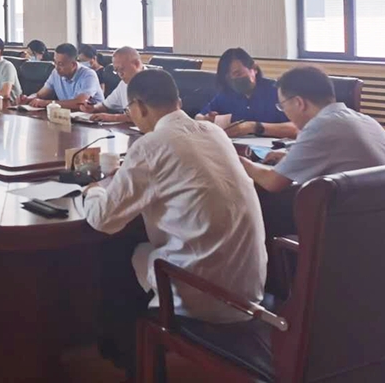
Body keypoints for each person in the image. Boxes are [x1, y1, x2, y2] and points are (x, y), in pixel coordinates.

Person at [83, 69, 266, 377]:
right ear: (177, 101)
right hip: (248, 286)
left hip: (203, 294)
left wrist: (93, 191)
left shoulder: (151, 145)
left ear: (139, 107)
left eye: (130, 110)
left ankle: (137, 364)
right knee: (137, 248)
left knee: (114, 252)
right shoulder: (215, 133)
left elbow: (103, 220)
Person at [241, 66, 385, 193]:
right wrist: (290, 159)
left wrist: (237, 161)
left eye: (282, 106)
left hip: (358, 218)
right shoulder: (364, 119)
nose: (285, 112)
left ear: (299, 103)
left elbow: (272, 182)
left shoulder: (320, 127)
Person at [198, 48, 297, 138]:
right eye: (228, 77)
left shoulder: (277, 91)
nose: (233, 79)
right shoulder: (227, 94)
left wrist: (253, 127)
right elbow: (198, 117)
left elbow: (297, 128)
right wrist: (206, 120)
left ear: (254, 69)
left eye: (238, 73)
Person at [22, 43, 102, 109]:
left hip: (93, 118)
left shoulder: (88, 75)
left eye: (60, 64)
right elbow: (40, 95)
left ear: (73, 65)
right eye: (55, 62)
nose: (57, 67)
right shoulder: (55, 73)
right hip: (68, 117)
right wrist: (28, 98)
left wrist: (46, 103)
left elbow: (80, 103)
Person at [81, 47, 144, 123]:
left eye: (122, 69)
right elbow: (106, 105)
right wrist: (93, 108)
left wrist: (115, 118)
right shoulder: (123, 84)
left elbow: (147, 117)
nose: (120, 74)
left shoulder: (153, 81)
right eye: (116, 71)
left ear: (137, 64)